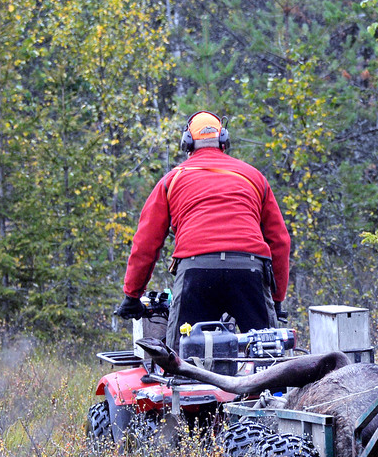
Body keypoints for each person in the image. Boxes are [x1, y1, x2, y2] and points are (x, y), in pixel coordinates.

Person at [118, 112, 292, 336]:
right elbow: (280, 241)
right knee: (267, 353)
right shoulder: (254, 177)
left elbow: (146, 243)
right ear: (223, 140)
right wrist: (276, 300)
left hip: (196, 270)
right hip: (248, 270)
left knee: (182, 360)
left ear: (187, 142)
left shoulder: (172, 179)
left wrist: (132, 295)